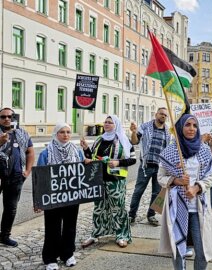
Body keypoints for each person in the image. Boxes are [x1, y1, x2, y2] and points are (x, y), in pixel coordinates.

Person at [157, 114, 212, 270]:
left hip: (198, 208)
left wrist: (197, 187)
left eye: (194, 125)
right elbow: (161, 177)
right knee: (178, 249)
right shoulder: (170, 151)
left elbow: (211, 175)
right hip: (177, 208)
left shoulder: (204, 150)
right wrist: (176, 181)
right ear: (180, 128)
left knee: (202, 250)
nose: (191, 129)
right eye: (187, 125)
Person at [81, 115, 136, 248]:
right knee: (99, 208)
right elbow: (93, 158)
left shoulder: (123, 140)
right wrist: (86, 149)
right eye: (105, 122)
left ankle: (121, 235)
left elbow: (133, 159)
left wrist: (118, 162)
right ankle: (96, 234)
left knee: (118, 208)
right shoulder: (99, 139)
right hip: (99, 180)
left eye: (110, 122)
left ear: (116, 125)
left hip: (116, 181)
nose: (107, 124)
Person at [36, 123, 85, 270]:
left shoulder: (77, 151)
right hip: (53, 197)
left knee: (70, 226)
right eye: (62, 132)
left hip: (71, 196)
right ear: (56, 134)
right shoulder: (46, 153)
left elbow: (82, 170)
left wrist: (87, 161)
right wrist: (38, 199)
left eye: (68, 132)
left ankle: (68, 254)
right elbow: (40, 177)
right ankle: (50, 258)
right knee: (53, 227)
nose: (65, 135)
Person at [129, 107, 171, 226]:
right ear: (156, 114)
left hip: (160, 168)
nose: (163, 116)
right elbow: (134, 142)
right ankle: (131, 215)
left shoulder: (168, 131)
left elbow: (169, 149)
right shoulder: (145, 127)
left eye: (165, 115)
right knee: (138, 191)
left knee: (157, 193)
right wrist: (133, 132)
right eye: (161, 114)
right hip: (146, 166)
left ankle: (151, 215)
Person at [0, 107, 34, 247]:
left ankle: (5, 236)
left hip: (15, 176)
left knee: (11, 208)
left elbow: (30, 152)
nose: (7, 119)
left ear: (14, 118)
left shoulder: (22, 133)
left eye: (10, 116)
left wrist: (27, 171)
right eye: (3, 117)